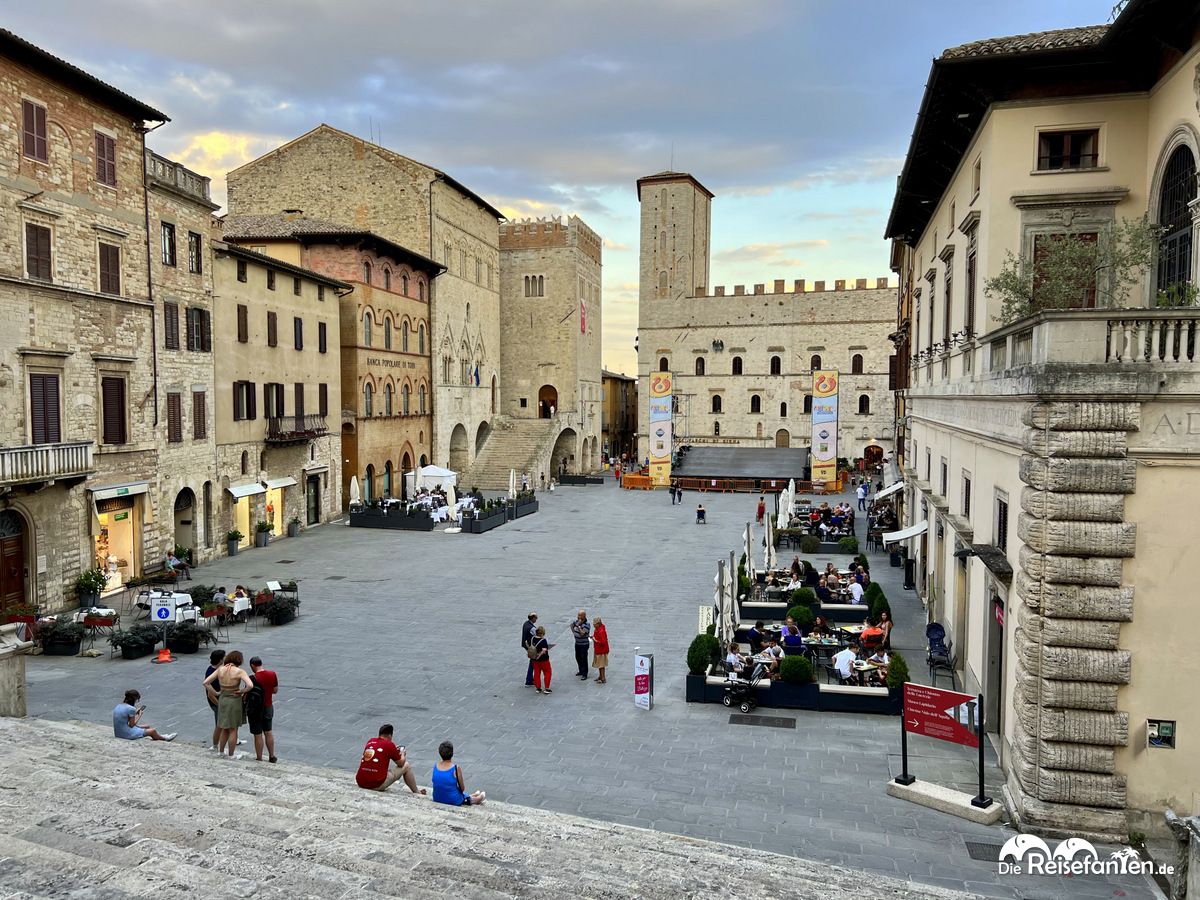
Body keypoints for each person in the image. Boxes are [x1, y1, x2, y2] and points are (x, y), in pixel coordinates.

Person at [202, 650, 254, 758]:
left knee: (224, 727)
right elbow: (250, 685)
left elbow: (206, 682)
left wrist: (216, 693)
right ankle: (231, 754)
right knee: (233, 729)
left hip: (223, 699)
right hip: (234, 699)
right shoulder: (239, 671)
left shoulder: (220, 669)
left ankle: (221, 751)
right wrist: (241, 691)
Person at [355, 724, 426, 794]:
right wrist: (403, 754)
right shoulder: (389, 744)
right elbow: (401, 763)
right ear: (390, 735)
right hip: (376, 784)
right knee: (406, 766)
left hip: (360, 782)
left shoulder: (370, 741)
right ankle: (417, 791)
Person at [432, 740, 486, 806]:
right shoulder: (455, 768)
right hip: (452, 800)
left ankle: (474, 795)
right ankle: (479, 798)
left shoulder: (436, 766)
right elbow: (462, 789)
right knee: (461, 796)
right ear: (452, 753)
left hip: (437, 798)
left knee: (451, 790)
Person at [248, 656, 279, 763]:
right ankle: (271, 755)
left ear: (252, 665)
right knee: (268, 732)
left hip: (256, 709)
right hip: (268, 706)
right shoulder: (272, 674)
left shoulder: (251, 678)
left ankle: (259, 758)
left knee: (257, 735)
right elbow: (275, 690)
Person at [204, 648, 228, 751]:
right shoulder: (212, 673)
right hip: (217, 703)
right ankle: (214, 746)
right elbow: (210, 694)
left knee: (226, 723)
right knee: (219, 725)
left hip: (221, 701)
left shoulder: (214, 669)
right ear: (220, 660)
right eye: (224, 657)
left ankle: (233, 738)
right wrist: (219, 705)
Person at [570, 610, 591, 679]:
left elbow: (582, 633)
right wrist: (574, 632)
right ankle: (581, 670)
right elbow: (571, 625)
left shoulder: (587, 624)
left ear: (584, 616)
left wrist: (578, 627)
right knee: (578, 657)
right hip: (577, 643)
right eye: (578, 615)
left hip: (584, 644)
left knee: (584, 658)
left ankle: (585, 674)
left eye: (580, 615)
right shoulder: (576, 621)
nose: (578, 616)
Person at [531, 626, 552, 693]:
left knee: (537, 673)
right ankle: (547, 688)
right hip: (544, 660)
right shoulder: (543, 641)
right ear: (542, 633)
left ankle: (538, 688)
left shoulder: (533, 638)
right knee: (547, 672)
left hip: (534, 660)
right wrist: (539, 656)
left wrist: (536, 657)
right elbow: (544, 650)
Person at [521, 612, 538, 687]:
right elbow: (537, 637)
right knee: (533, 662)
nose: (536, 619)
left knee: (532, 662)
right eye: (536, 618)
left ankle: (530, 679)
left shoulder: (526, 623)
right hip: (530, 647)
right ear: (533, 618)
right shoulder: (532, 628)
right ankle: (529, 680)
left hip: (525, 644)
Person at [591, 616, 609, 684]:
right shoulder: (597, 629)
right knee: (599, 664)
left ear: (598, 623)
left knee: (601, 665)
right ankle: (600, 676)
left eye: (594, 624)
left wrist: (595, 640)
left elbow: (603, 642)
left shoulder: (601, 631)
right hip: (598, 649)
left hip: (602, 650)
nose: (593, 625)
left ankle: (603, 678)